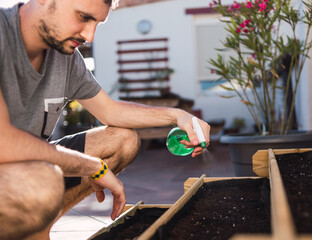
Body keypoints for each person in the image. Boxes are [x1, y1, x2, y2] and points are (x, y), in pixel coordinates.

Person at [0, 0, 211, 239]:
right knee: (44, 182)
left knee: (124, 140)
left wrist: (177, 116)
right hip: (14, 167)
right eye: (83, 17)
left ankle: (37, 227)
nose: (89, 35)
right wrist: (93, 166)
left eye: (97, 23)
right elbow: (4, 143)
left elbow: (110, 111)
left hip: (29, 167)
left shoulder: (65, 57)